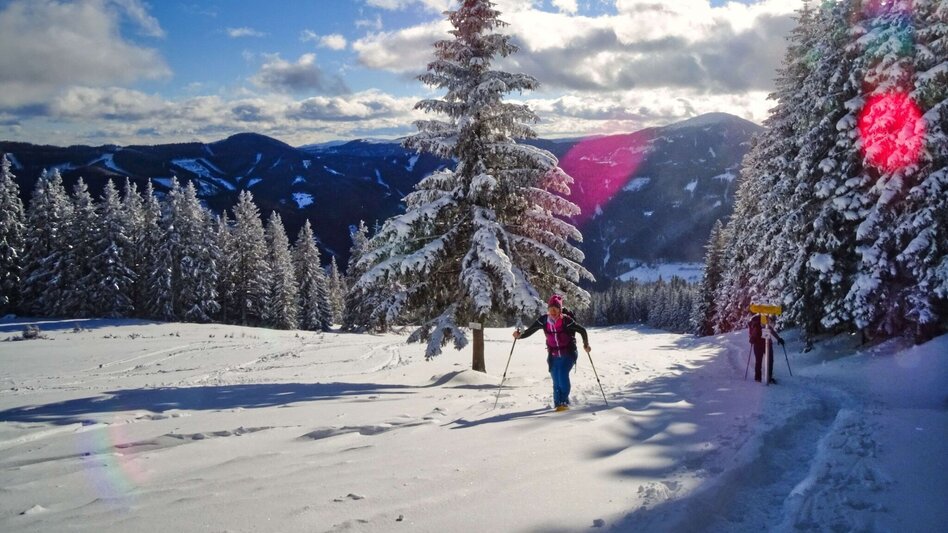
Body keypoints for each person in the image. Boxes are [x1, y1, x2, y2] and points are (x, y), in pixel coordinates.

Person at [513, 295, 591, 411]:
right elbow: (530, 331)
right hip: (553, 356)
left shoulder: (566, 320)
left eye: (555, 309)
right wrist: (519, 336)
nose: (553, 311)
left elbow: (582, 330)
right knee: (556, 381)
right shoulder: (544, 320)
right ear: (548, 309)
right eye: (550, 309)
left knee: (562, 376)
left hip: (568, 353)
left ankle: (563, 404)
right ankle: (558, 406)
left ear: (560, 309)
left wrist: (586, 344)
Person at [749, 314, 784, 384]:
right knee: (769, 360)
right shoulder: (760, 320)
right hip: (765, 343)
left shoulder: (762, 320)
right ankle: (768, 378)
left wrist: (752, 339)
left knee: (759, 361)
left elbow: (769, 330)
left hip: (759, 344)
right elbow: (771, 330)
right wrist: (778, 338)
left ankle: (758, 378)